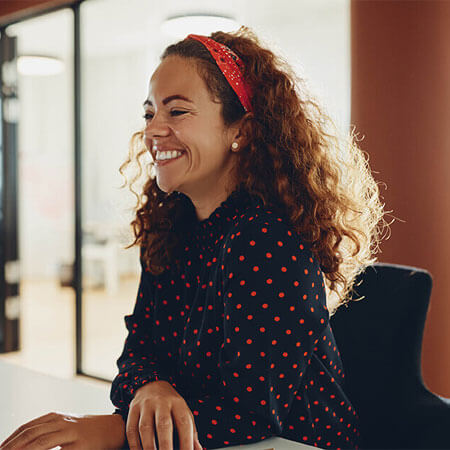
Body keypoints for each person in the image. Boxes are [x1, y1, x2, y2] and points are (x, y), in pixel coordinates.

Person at [0, 27, 387, 450]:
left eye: (177, 112)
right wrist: (150, 388)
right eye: (149, 114)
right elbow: (137, 352)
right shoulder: (170, 226)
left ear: (241, 131)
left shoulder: (270, 241)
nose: (153, 131)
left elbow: (250, 412)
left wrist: (111, 429)